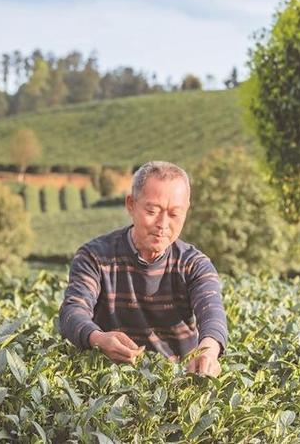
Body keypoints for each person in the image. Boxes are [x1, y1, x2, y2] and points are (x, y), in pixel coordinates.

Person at [59, 161, 228, 377]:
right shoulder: (95, 257)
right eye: (152, 210)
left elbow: (212, 313)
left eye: (174, 214)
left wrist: (208, 352)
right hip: (108, 384)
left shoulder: (194, 264)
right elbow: (72, 312)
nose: (163, 224)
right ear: (131, 204)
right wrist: (98, 339)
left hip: (176, 383)